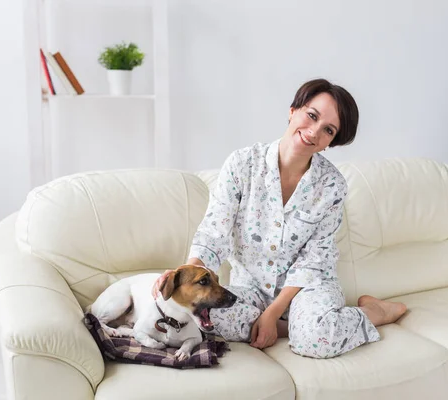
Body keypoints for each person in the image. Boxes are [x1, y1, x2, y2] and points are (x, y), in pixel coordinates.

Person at [153, 78, 407, 359]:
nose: (313, 132)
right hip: (251, 288)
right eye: (311, 116)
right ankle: (293, 327)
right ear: (293, 110)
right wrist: (185, 276)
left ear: (330, 143)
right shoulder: (242, 164)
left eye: (328, 130)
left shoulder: (332, 185)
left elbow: (315, 257)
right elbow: (215, 233)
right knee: (200, 315)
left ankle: (373, 312)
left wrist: (272, 313)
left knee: (316, 341)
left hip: (307, 287)